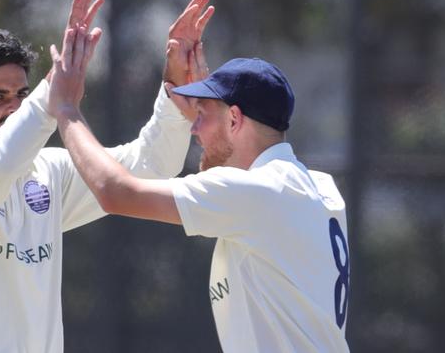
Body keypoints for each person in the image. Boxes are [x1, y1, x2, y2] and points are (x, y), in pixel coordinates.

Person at [0, 0, 213, 351]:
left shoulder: (46, 171)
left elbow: (150, 165)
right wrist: (53, 93)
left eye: (22, 94)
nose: (15, 107)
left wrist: (174, 93)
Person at [49, 28, 351, 351]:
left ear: (234, 120)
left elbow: (115, 192)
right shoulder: (315, 184)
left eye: (202, 115)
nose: (193, 128)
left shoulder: (256, 191)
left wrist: (67, 110)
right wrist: (205, 103)